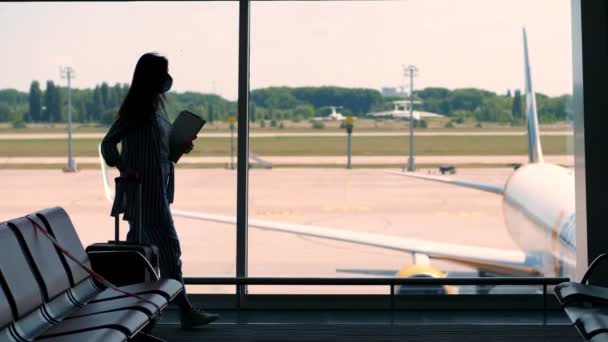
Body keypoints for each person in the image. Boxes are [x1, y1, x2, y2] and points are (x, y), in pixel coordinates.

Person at [101, 52, 219, 329]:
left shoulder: (157, 110)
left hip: (158, 193)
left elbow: (162, 151)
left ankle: (138, 311)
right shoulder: (136, 111)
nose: (168, 78)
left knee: (142, 255)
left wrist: (180, 146)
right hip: (145, 196)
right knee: (168, 249)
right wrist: (122, 167)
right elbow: (108, 144)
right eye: (164, 72)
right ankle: (185, 310)